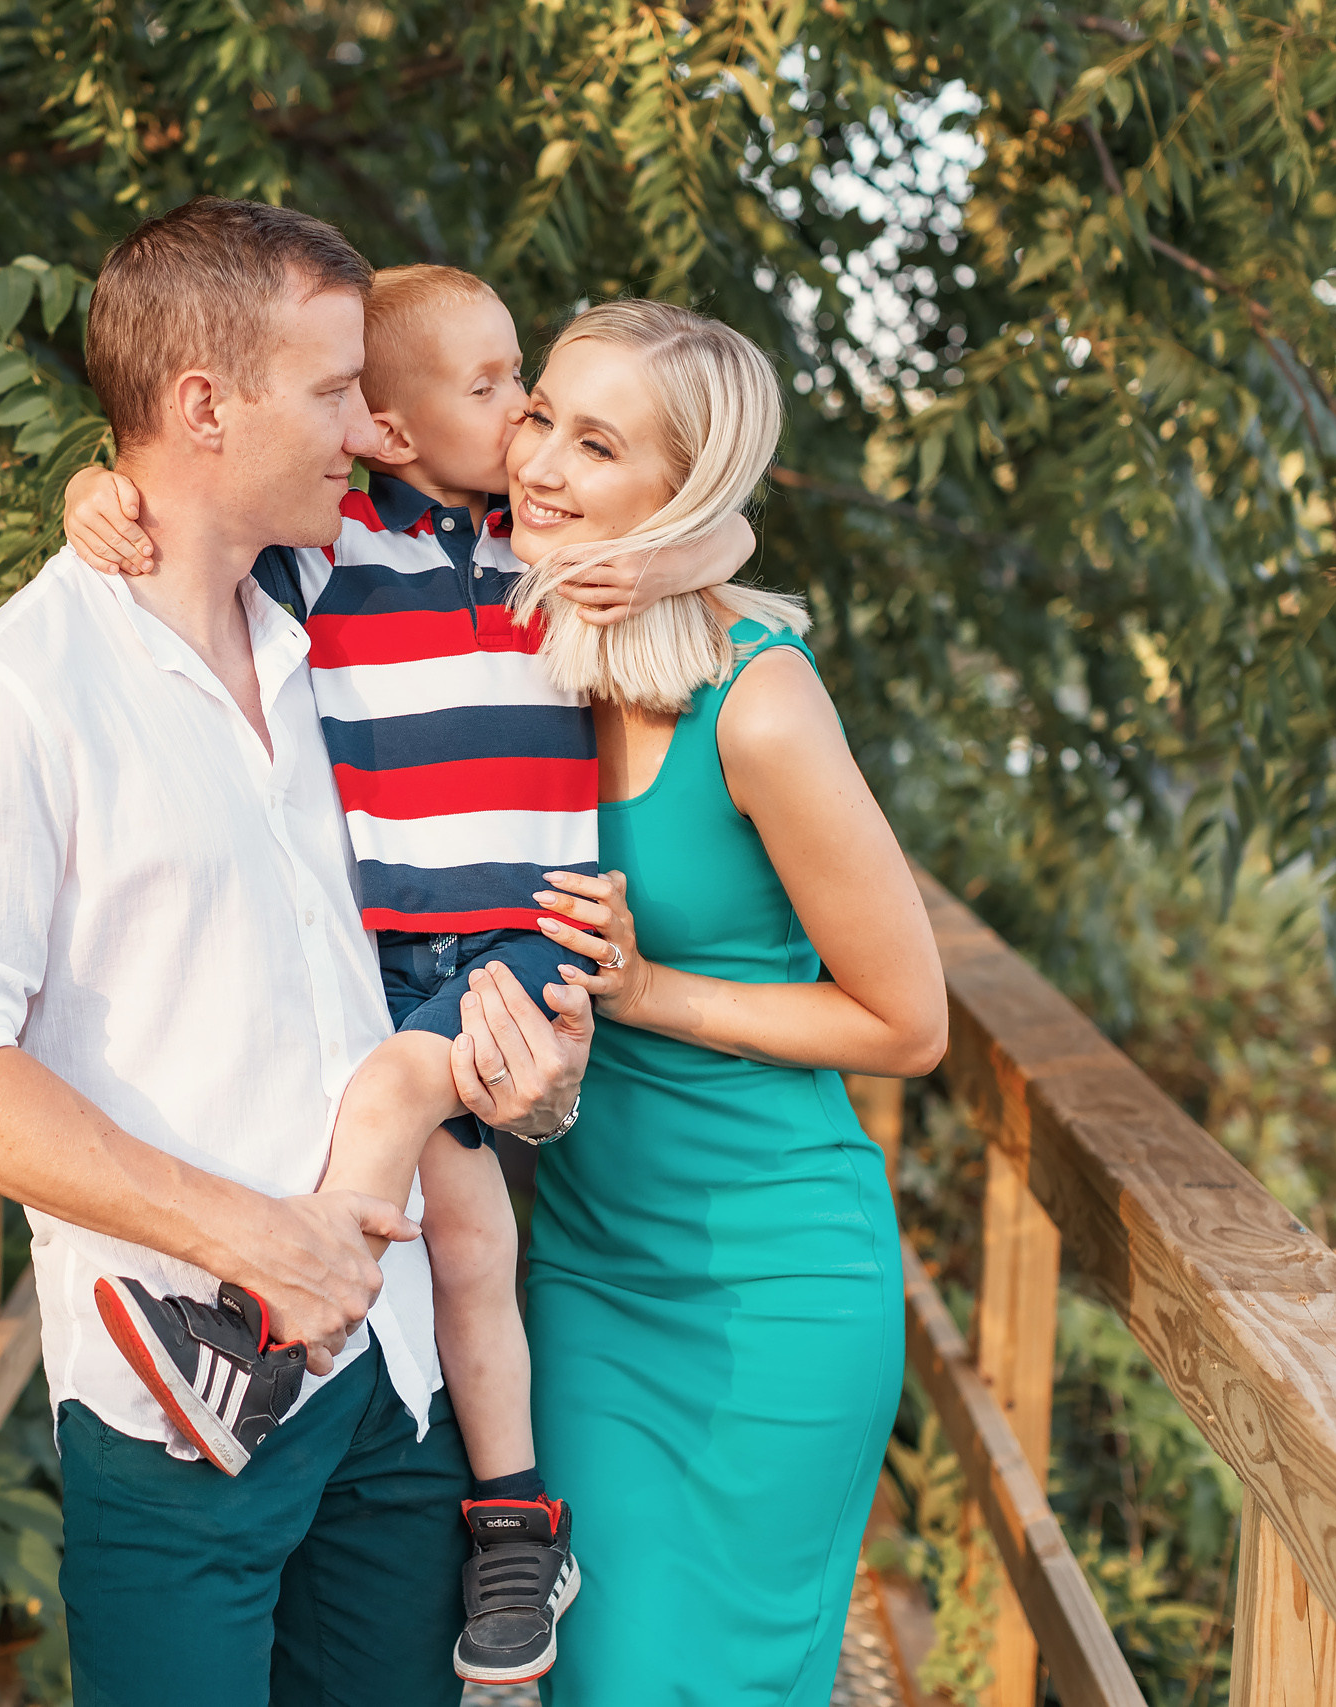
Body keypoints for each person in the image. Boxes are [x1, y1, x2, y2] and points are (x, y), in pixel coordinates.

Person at [0, 200, 591, 1707]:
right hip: (186, 1423)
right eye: (329, 394)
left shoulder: (343, 647)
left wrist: (535, 1091)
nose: (361, 426)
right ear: (202, 406)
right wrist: (242, 1236)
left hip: (396, 1379)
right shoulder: (7, 697)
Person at [63, 263, 751, 1685]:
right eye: (496, 390)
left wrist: (684, 557)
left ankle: (255, 1340)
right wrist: (93, 497)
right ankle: (510, 1515)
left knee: (397, 1116)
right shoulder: (332, 547)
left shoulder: (546, 555)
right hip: (389, 944)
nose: (526, 424)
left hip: (528, 938)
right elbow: (199, 510)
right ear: (381, 420)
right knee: (467, 1236)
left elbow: (721, 513)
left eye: (532, 389)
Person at [505, 300, 949, 1705]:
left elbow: (907, 1025)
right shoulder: (514, 653)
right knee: (598, 1680)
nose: (540, 464)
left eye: (596, 442)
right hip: (584, 1275)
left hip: (775, 1290)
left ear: (683, 492)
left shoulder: (758, 709)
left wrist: (647, 993)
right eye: (539, 418)